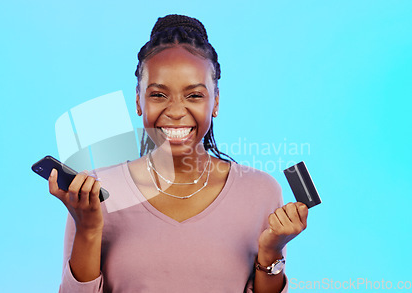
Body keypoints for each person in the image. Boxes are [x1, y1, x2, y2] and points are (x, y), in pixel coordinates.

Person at [49, 14, 308, 293]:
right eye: (158, 95)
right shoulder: (94, 192)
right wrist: (87, 230)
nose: (175, 111)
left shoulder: (260, 192)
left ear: (215, 102)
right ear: (138, 100)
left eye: (194, 95)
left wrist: (271, 252)